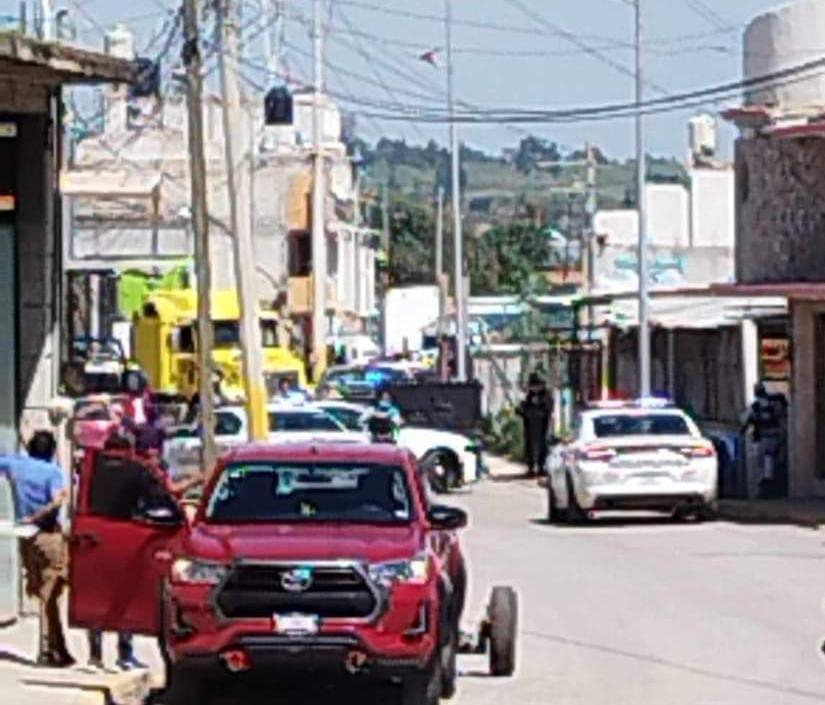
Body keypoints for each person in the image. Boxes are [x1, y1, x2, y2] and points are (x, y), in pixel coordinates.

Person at [0, 431, 74, 667]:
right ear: (52, 452)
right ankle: (46, 650)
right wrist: (37, 515)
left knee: (42, 592)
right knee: (50, 595)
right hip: (48, 536)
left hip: (26, 538)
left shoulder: (16, 465)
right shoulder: (53, 473)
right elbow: (56, 501)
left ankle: (59, 648)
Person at [741, 382, 788, 498]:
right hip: (776, 437)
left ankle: (766, 485)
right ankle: (768, 484)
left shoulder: (756, 406)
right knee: (769, 460)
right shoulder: (773, 403)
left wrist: (743, 431)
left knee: (763, 462)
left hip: (764, 438)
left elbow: (746, 421)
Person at [517, 373, 555, 478]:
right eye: (532, 386)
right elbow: (521, 409)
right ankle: (531, 468)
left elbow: (548, 408)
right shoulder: (528, 396)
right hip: (530, 426)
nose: (534, 388)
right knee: (530, 447)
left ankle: (542, 467)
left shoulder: (546, 395)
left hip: (542, 426)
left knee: (543, 446)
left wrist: (541, 411)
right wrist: (524, 410)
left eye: (536, 386)